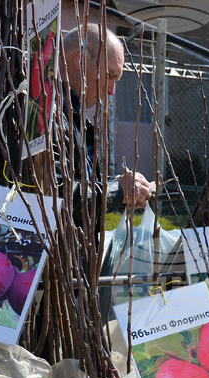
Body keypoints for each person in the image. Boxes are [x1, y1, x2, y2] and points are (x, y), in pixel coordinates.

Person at [57, 23, 154, 232]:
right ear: (81, 60)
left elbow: (80, 189)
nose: (111, 91)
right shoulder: (47, 117)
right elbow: (60, 197)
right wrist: (118, 190)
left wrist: (119, 188)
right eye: (110, 76)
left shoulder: (73, 117)